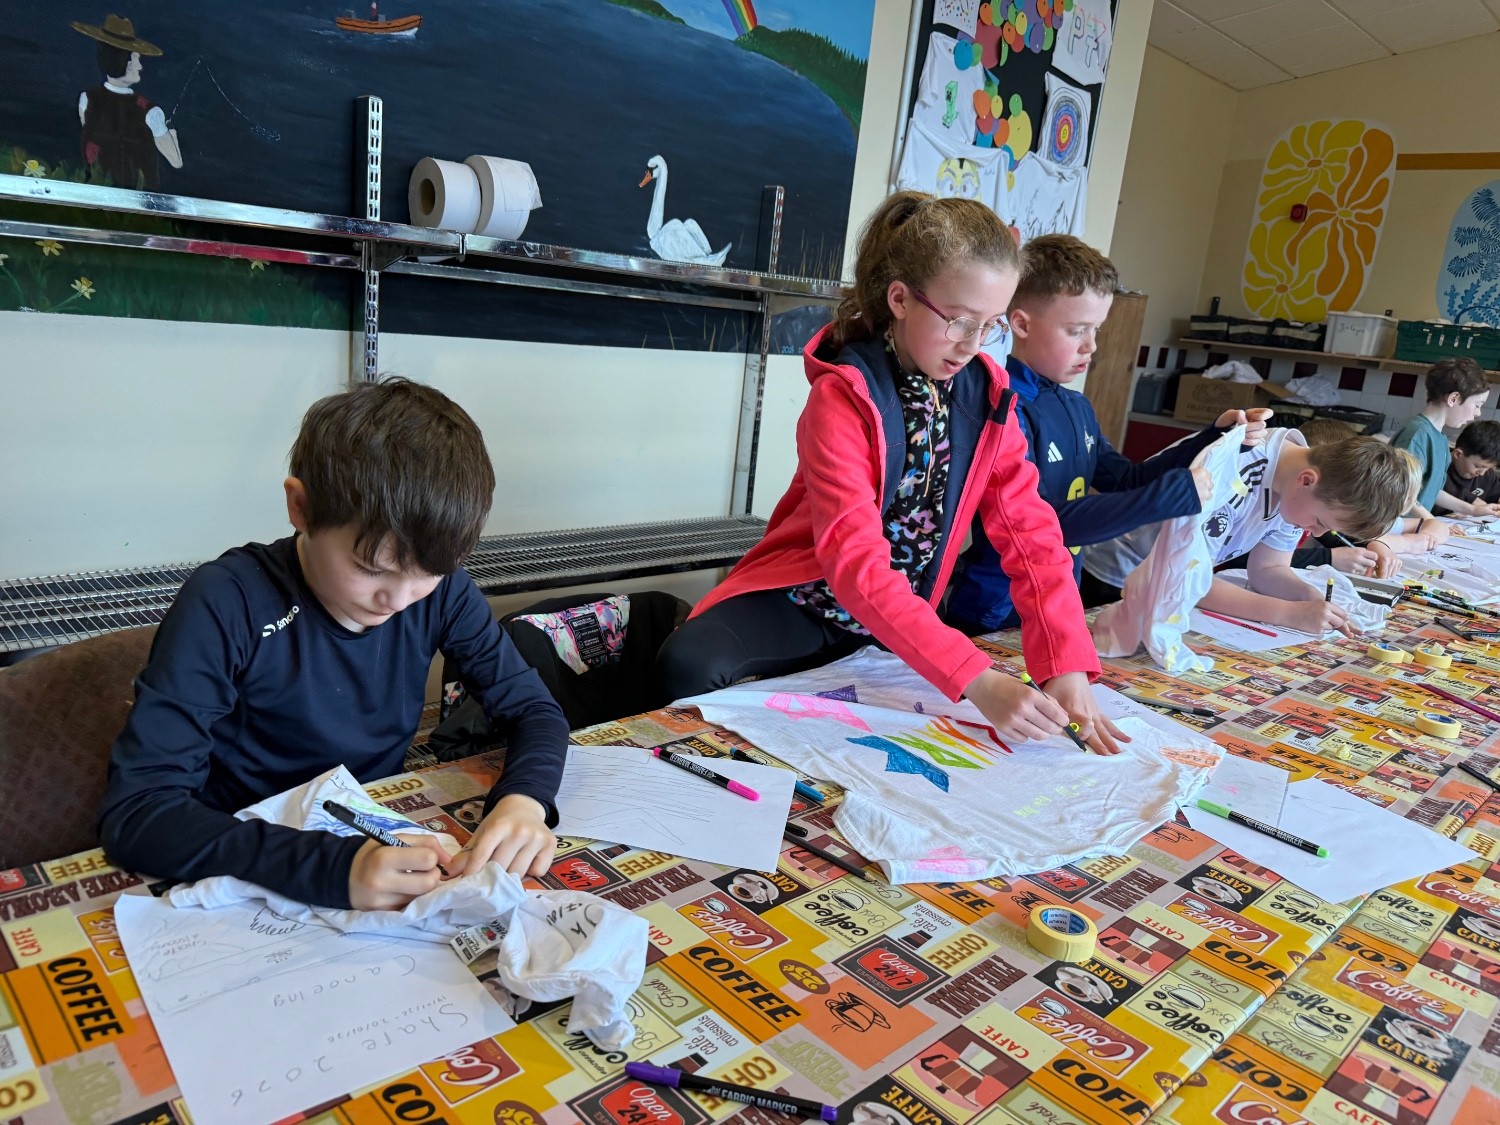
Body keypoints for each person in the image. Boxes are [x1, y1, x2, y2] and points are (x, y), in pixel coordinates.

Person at [656, 192, 1125, 754]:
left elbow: (1032, 534)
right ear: (900, 299)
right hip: (807, 601)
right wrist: (977, 680)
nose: (972, 346)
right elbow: (855, 564)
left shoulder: (987, 398)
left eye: (990, 326)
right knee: (688, 663)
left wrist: (1065, 663)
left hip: (901, 618)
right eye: (959, 321)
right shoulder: (843, 396)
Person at [99, 379, 569, 910]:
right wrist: (331, 868)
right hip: (248, 855)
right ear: (300, 506)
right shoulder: (229, 600)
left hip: (375, 830)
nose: (399, 599)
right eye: (370, 568)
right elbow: (138, 812)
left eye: (430, 573)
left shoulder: (443, 593)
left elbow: (534, 710)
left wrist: (525, 800)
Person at [944, 234, 1270, 634]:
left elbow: (1125, 479)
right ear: (1022, 324)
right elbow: (1042, 524)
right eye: (1076, 330)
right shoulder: (1003, 406)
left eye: (1096, 329)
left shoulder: (1077, 406)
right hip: (993, 608)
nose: (1091, 346)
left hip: (1055, 599)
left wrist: (1210, 439)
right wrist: (1165, 498)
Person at [1081, 433, 1419, 636]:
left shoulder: (1297, 486)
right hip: (1109, 579)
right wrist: (1289, 614)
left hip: (1157, 589)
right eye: (1319, 521)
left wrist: (1309, 598)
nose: (1316, 532)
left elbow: (1269, 569)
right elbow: (1188, 579)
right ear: (1307, 480)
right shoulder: (1236, 466)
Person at [71, 15, 183, 191]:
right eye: (136, 59)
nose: (140, 66)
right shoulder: (150, 111)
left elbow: (94, 143)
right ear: (125, 62)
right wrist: (173, 135)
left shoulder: (87, 99)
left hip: (95, 194)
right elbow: (176, 161)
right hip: (137, 202)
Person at [1392, 356, 1490, 524]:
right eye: (1477, 405)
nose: (1478, 413)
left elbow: (1433, 491)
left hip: (1416, 527)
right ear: (1453, 399)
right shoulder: (1417, 435)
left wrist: (1472, 510)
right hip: (1397, 528)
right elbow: (1402, 493)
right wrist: (1432, 523)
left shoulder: (1441, 439)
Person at [1439, 419, 1500, 517]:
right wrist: (1471, 500)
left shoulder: (1487, 475)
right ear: (1458, 454)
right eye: (1478, 466)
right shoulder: (1439, 471)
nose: (1482, 473)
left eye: (1488, 468)